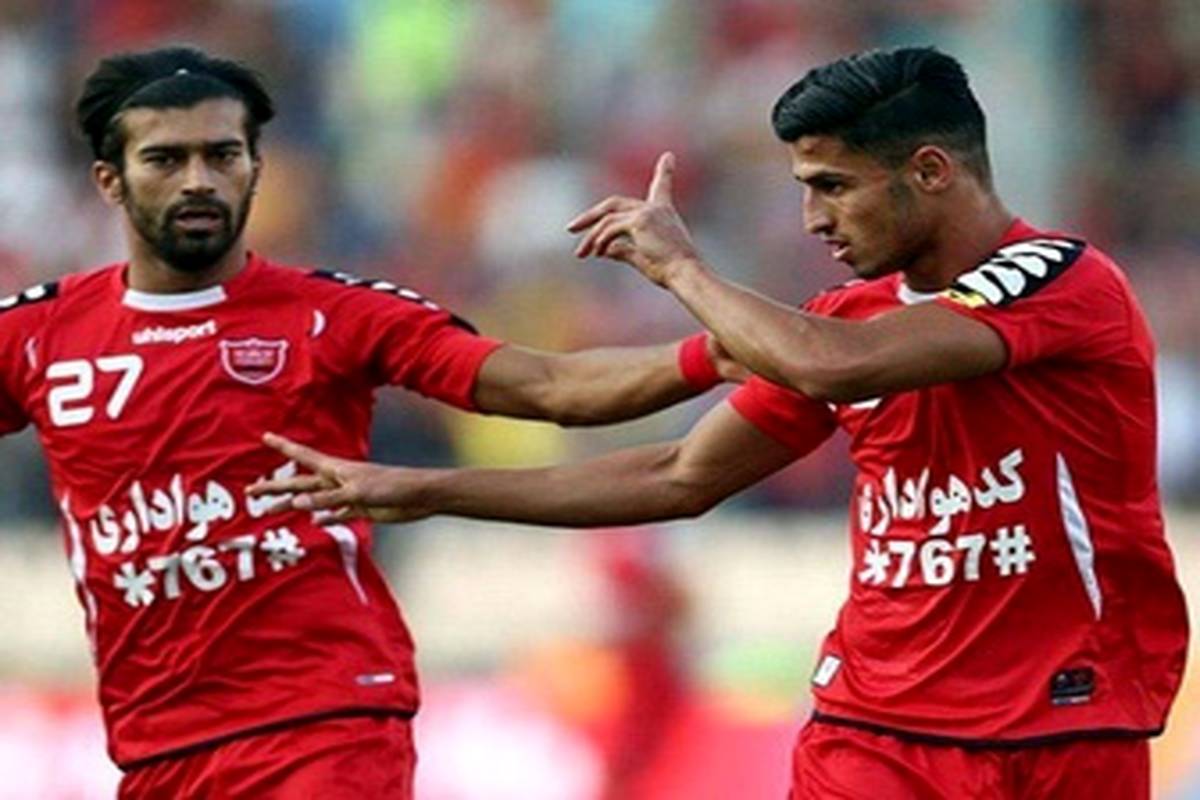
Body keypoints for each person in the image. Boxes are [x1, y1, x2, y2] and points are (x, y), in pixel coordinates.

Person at [251, 47, 1190, 798]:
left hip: (1063, 722)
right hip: (876, 729)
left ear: (932, 171)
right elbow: (681, 475)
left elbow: (835, 365)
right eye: (804, 188)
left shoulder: (1062, 281)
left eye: (834, 185)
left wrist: (681, 270)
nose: (813, 217)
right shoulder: (842, 318)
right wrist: (427, 489)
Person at [0, 46, 744, 798]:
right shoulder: (36, 335)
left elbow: (551, 387)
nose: (198, 179)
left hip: (324, 725)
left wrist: (712, 353)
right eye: (166, 159)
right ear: (109, 180)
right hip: (156, 746)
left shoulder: (335, 315)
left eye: (221, 155)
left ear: (255, 168)